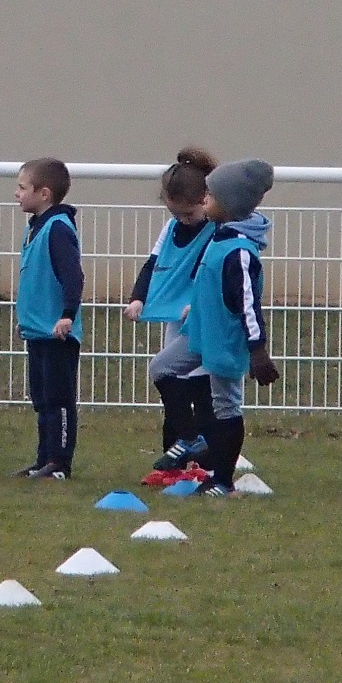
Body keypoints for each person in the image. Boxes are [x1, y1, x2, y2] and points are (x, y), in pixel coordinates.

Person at [162, 158, 281, 497]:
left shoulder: (239, 251)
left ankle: (223, 482)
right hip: (200, 333)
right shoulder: (218, 237)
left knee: (226, 405)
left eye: (210, 196)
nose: (204, 201)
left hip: (224, 339)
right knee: (161, 368)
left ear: (229, 204)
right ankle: (191, 437)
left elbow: (247, 304)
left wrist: (258, 350)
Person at [121, 147, 219, 484]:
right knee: (173, 391)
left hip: (203, 322)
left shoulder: (217, 229)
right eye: (175, 214)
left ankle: (205, 466)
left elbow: (213, 271)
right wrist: (138, 298)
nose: (182, 220)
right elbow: (153, 264)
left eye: (188, 214)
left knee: (201, 390)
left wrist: (200, 304)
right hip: (176, 319)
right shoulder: (171, 227)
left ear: (206, 200)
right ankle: (174, 463)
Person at [11, 158, 84, 480]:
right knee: (41, 399)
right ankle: (43, 458)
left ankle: (59, 461)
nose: (16, 194)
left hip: (57, 333)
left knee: (59, 399)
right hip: (38, 331)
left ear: (44, 194)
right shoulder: (34, 228)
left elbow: (73, 277)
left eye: (22, 187)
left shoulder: (58, 228)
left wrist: (67, 316)